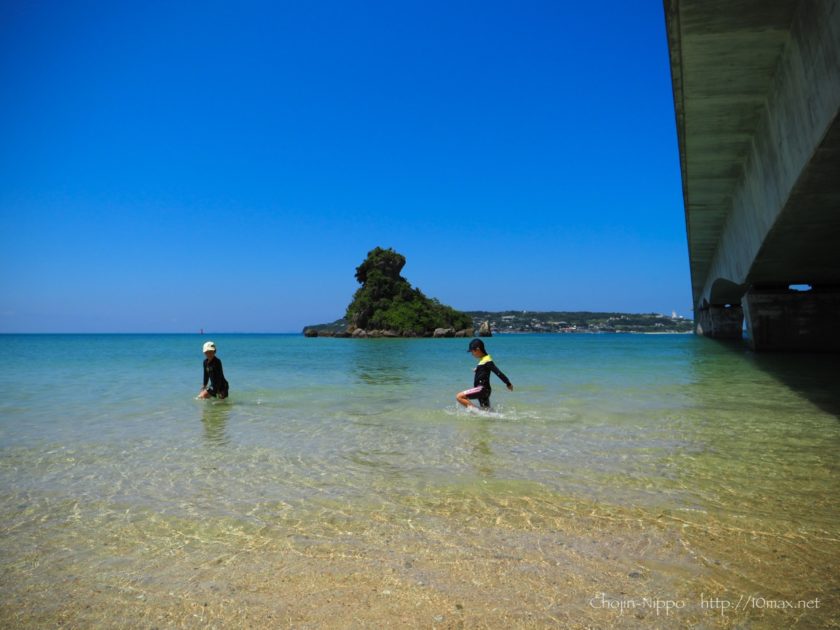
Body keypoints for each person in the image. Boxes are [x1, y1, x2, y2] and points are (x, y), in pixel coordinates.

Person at [456, 338, 513, 410]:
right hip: (485, 391)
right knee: (487, 412)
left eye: (472, 351)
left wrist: (508, 383)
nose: (472, 354)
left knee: (459, 396)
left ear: (478, 349)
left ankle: (476, 412)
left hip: (482, 389)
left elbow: (498, 372)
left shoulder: (487, 361)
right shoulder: (483, 360)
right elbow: (484, 370)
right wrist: (477, 369)